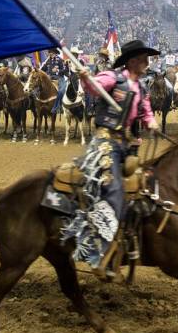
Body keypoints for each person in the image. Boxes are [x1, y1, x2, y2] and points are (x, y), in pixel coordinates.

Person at [67, 40, 160, 275]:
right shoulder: (113, 77)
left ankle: (129, 241)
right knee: (115, 190)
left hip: (127, 145)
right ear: (132, 61)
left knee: (144, 187)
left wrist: (151, 122)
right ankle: (100, 253)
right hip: (105, 142)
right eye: (143, 58)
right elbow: (94, 88)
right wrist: (86, 78)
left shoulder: (142, 88)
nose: (147, 62)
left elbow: (146, 112)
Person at [42, 47, 68, 114]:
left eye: (50, 52)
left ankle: (58, 107)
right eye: (49, 52)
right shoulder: (47, 61)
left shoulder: (60, 60)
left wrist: (57, 70)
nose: (49, 53)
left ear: (54, 52)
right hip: (49, 78)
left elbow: (65, 70)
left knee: (61, 91)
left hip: (59, 78)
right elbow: (42, 70)